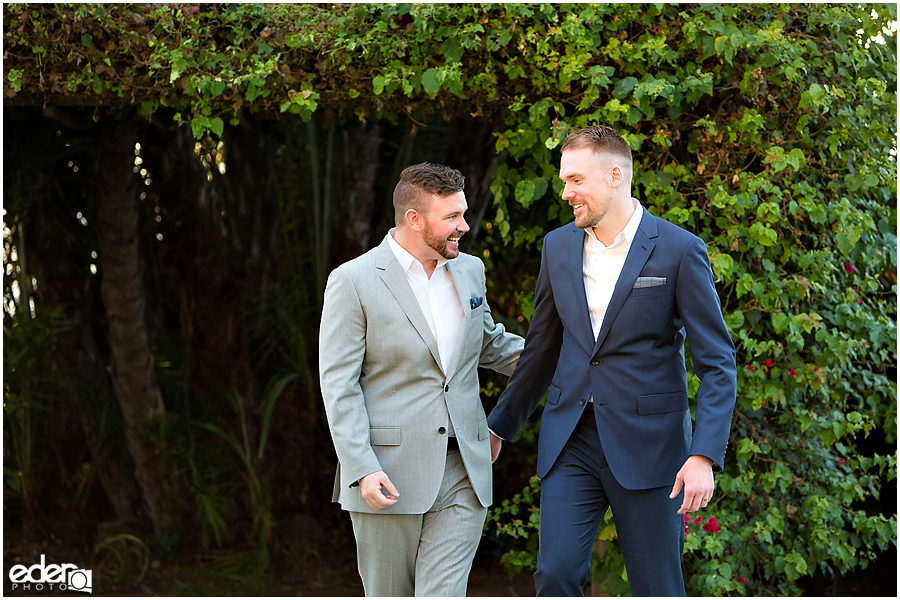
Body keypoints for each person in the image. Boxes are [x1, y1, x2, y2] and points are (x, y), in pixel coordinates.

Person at [487, 125, 737, 596]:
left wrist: (703, 454)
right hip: (571, 440)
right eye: (565, 180)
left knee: (655, 586)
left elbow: (717, 361)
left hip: (651, 446)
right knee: (556, 573)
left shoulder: (679, 251)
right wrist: (501, 425)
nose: (566, 192)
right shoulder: (557, 246)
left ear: (615, 175)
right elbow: (542, 347)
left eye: (576, 180)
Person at [319, 162, 524, 597]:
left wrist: (573, 358)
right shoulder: (352, 281)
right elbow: (339, 385)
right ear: (414, 219)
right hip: (387, 472)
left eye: (463, 214)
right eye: (451, 217)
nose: (463, 227)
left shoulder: (469, 270)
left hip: (464, 468)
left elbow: (488, 344)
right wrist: (361, 468)